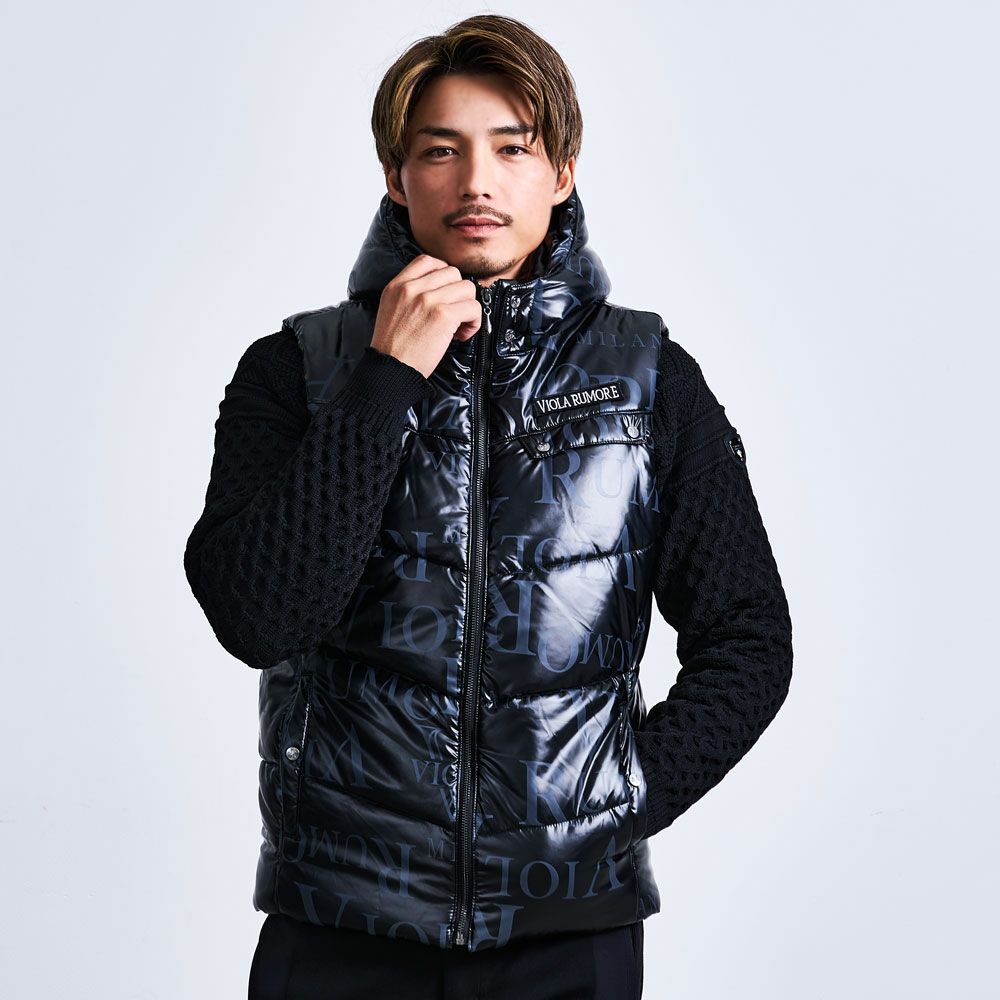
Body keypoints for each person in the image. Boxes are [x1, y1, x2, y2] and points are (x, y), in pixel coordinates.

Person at [183, 13, 793, 999]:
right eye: (441, 150)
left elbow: (749, 636)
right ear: (396, 175)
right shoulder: (294, 370)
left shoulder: (649, 380)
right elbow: (258, 617)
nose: (476, 181)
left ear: (562, 172)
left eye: (512, 148)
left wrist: (613, 804)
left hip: (567, 937)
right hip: (340, 924)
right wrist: (386, 377)